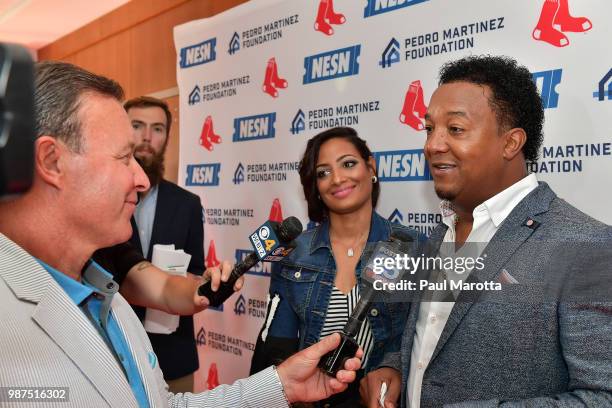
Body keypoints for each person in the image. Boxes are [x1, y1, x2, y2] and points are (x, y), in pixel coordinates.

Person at [0, 60, 362, 407]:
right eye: (124, 157)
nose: (141, 180)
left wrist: (280, 386)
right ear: (51, 161)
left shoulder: (110, 298)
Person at [360, 55, 612, 407]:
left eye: (456, 129)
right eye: (430, 128)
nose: (433, 145)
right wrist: (394, 369)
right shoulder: (437, 236)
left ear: (510, 143)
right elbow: (433, 340)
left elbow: (602, 398)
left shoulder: (584, 245)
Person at [250, 127, 421, 407]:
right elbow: (278, 349)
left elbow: (422, 339)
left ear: (371, 166)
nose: (338, 178)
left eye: (348, 163)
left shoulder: (411, 245)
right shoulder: (295, 253)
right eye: (323, 172)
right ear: (315, 186)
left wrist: (393, 370)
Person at [119, 95, 203, 392]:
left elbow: (197, 270)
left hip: (173, 354)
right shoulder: (102, 199)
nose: (146, 137)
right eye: (137, 126)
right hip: (116, 350)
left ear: (167, 136)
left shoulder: (188, 204)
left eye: (157, 128)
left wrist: (201, 285)